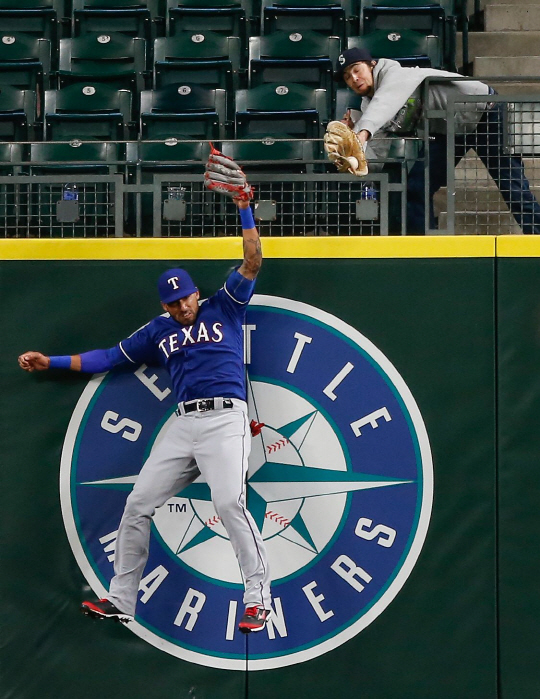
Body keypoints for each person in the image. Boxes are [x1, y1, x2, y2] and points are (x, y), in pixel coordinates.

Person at [17, 165, 273, 635]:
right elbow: (106, 358)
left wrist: (245, 210)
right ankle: (121, 599)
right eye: (174, 304)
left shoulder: (224, 305)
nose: (183, 307)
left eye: (186, 298)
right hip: (183, 423)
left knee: (229, 502)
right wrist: (50, 362)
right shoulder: (157, 332)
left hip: (224, 419)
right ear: (164, 306)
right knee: (137, 504)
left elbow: (252, 262)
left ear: (197, 292)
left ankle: (259, 599)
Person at [334, 47, 540, 235]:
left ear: (372, 65)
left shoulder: (394, 75)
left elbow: (385, 103)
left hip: (486, 113)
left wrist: (362, 133)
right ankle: (425, 249)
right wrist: (351, 157)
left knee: (513, 189)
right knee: (416, 187)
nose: (354, 78)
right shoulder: (370, 107)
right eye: (347, 77)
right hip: (448, 130)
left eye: (356, 70)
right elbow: (375, 157)